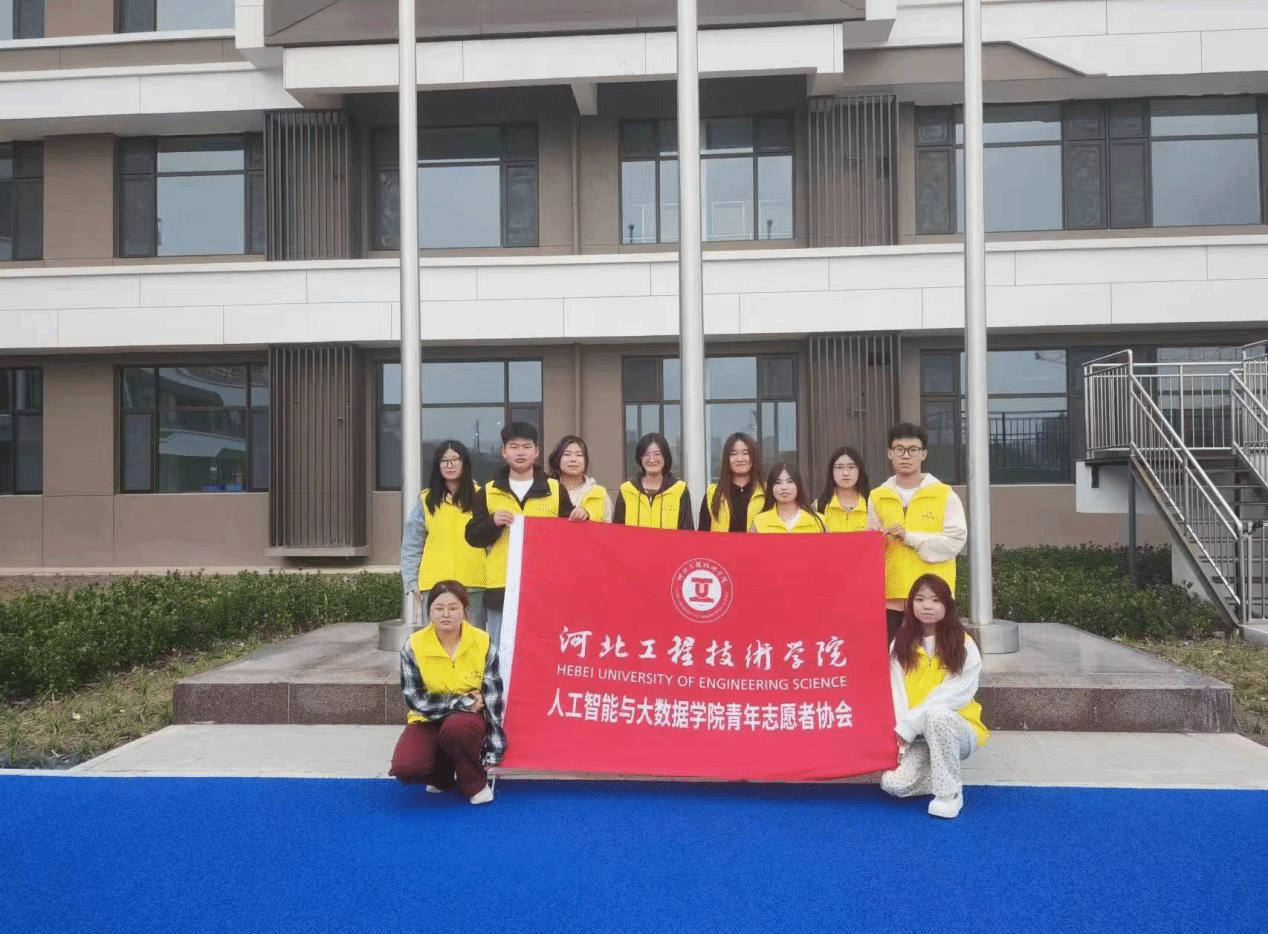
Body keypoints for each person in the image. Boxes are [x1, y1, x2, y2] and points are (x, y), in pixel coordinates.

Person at [388, 580, 506, 805]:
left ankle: (474, 784)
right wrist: (461, 701)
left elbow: (493, 697)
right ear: (429, 611)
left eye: (453, 608)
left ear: (464, 612)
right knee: (406, 767)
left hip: (467, 720)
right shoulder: (414, 645)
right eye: (439, 608)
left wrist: (494, 741)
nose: (446, 614)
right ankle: (442, 777)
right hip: (428, 717)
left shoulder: (482, 641)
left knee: (457, 729)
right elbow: (415, 699)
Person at [881, 573, 988, 819]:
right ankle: (941, 770)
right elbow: (897, 693)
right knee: (893, 785)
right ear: (910, 604)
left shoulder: (964, 644)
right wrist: (902, 735)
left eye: (935, 600)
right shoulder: (900, 644)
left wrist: (909, 724)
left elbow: (957, 693)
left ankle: (949, 794)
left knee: (937, 715)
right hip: (918, 736)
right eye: (920, 599)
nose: (927, 606)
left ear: (947, 605)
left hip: (959, 729)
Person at [465, 422, 575, 648]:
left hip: (544, 588)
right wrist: (492, 523)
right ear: (504, 452)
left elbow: (572, 536)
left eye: (526, 447)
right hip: (501, 588)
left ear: (536, 452)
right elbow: (472, 536)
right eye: (514, 447)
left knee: (543, 650)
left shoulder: (555, 489)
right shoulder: (488, 491)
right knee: (501, 651)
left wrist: (582, 515)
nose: (520, 452)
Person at [868, 422, 967, 641]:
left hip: (933, 599)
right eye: (899, 449)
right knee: (893, 657)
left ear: (923, 454)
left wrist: (909, 537)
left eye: (913, 450)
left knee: (937, 656)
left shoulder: (944, 494)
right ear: (889, 453)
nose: (906, 456)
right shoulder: (877, 496)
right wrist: (876, 540)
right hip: (891, 598)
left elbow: (955, 541)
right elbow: (871, 549)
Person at [400, 441, 487, 630]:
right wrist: (411, 581)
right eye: (444, 460)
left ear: (464, 463)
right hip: (434, 585)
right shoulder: (426, 499)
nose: (450, 465)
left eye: (455, 459)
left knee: (473, 641)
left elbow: (491, 542)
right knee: (435, 641)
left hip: (474, 584)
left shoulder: (482, 496)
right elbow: (412, 544)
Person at [612, 432, 695, 529]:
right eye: (646, 454)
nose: (651, 459)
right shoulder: (627, 490)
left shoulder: (679, 490)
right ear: (640, 458)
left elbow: (687, 531)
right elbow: (616, 531)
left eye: (657, 454)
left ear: (665, 456)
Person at [699, 432, 766, 532]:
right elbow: (702, 535)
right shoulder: (712, 494)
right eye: (733, 454)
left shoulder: (766, 492)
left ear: (754, 457)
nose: (739, 459)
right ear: (727, 459)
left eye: (745, 453)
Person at [548, 434, 613, 522]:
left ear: (586, 461)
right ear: (557, 459)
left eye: (579, 455)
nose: (573, 459)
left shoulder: (599, 494)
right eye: (567, 454)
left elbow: (609, 526)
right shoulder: (546, 490)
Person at [749, 462, 825, 533]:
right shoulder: (759, 521)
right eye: (778, 482)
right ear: (771, 488)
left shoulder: (818, 521)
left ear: (798, 485)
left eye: (790, 481)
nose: (784, 487)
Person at [816, 445, 870, 533]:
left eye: (851, 467)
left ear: (859, 471)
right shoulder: (819, 506)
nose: (845, 473)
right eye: (839, 467)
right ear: (831, 471)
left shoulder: (872, 504)